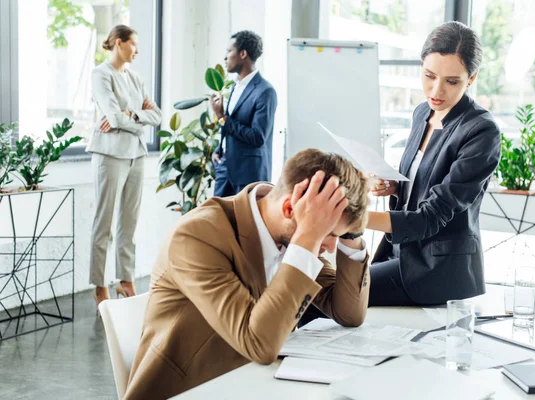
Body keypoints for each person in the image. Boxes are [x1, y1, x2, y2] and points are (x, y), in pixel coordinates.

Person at [124, 149, 370, 400]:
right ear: (289, 208)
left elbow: (348, 313)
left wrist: (352, 232)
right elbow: (259, 344)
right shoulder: (198, 236)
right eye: (328, 233)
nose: (330, 247)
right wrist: (308, 238)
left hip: (254, 387)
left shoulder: (291, 234)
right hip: (188, 392)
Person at [367, 21, 501, 306]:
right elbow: (422, 183)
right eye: (429, 76)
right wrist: (395, 187)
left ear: (472, 78)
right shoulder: (422, 113)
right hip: (402, 252)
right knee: (326, 281)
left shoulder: (481, 131)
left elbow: (432, 215)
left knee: (332, 290)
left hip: (436, 267)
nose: (436, 90)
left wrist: (352, 218)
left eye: (452, 81)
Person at [86, 25, 162, 308]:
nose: (137, 51)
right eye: (134, 44)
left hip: (136, 155)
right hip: (109, 154)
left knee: (128, 223)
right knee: (104, 223)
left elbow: (157, 115)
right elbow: (113, 118)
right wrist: (131, 118)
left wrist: (130, 115)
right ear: (119, 43)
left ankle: (126, 280)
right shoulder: (100, 74)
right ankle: (99, 285)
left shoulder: (135, 77)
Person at [210, 30, 277, 197]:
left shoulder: (265, 91)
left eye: (229, 51)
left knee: (244, 223)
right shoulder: (234, 87)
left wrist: (222, 118)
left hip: (248, 175)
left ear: (242, 54)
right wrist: (219, 151)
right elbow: (228, 125)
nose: (225, 57)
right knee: (216, 220)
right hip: (225, 169)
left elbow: (258, 137)